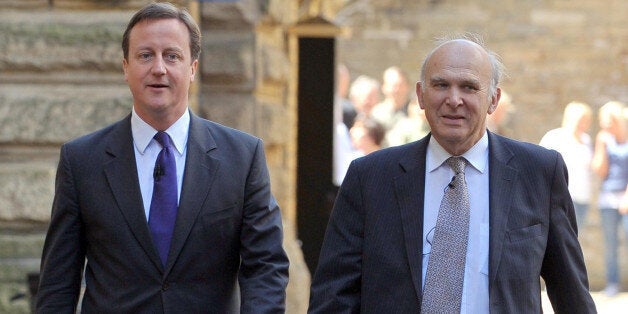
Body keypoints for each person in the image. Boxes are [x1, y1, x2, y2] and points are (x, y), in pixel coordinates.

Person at [308, 34, 596, 313]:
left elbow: (571, 293)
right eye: (441, 85)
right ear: (421, 95)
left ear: (493, 100)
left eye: (469, 87)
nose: (454, 99)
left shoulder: (539, 172)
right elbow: (334, 295)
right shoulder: (369, 178)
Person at [36, 3, 289, 313]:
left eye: (172, 56)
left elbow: (265, 267)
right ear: (125, 67)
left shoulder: (242, 157)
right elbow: (58, 282)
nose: (159, 68)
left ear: (193, 68)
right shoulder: (82, 160)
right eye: (145, 55)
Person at [591, 100, 628, 297]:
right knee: (610, 244)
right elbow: (600, 170)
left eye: (607, 120)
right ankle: (612, 283)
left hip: (626, 198)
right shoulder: (604, 139)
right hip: (608, 199)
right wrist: (601, 146)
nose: (604, 124)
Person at [540, 101, 593, 228]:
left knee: (576, 237)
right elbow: (541, 164)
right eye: (580, 119)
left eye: (586, 120)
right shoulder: (555, 136)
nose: (583, 124)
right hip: (562, 194)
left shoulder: (586, 140)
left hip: (582, 196)